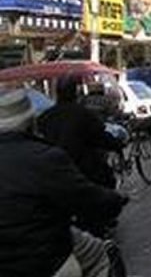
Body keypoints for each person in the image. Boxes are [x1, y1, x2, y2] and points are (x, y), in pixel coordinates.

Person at [0, 87, 128, 277]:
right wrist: (116, 200)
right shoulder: (43, 157)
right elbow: (87, 197)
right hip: (43, 258)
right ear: (31, 122)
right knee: (102, 256)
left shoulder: (49, 126)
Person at [39, 76, 122, 191]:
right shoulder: (83, 114)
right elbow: (100, 137)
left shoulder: (45, 117)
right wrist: (117, 144)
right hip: (83, 171)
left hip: (54, 172)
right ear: (76, 92)